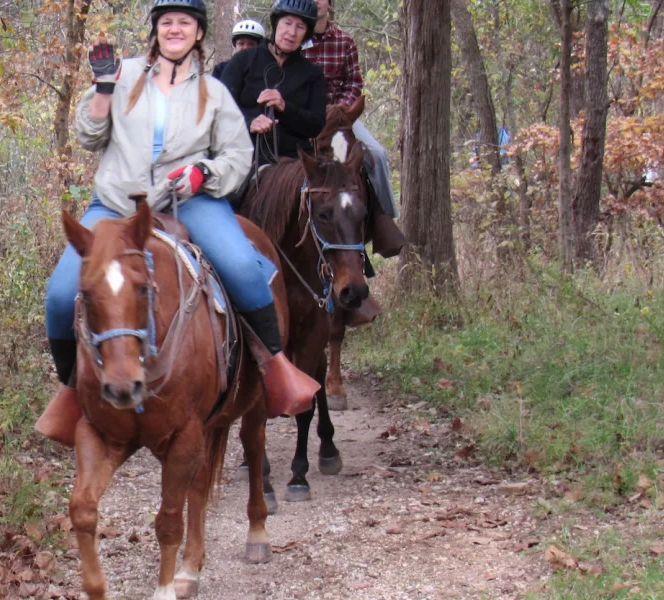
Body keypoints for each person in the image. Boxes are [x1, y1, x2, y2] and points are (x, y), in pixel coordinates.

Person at [34, 0, 319, 447]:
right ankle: (73, 393)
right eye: (166, 22)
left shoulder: (214, 92)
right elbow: (89, 136)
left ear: (199, 33)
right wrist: (104, 89)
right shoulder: (124, 75)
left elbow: (238, 155)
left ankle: (277, 370)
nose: (175, 29)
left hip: (190, 203)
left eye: (184, 22)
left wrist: (205, 172)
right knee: (58, 294)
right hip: (115, 206)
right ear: (155, 30)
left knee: (245, 269)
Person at [301, 0, 405, 258]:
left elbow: (354, 82)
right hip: (306, 118)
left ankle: (383, 220)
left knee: (376, 154)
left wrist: (341, 112)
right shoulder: (295, 38)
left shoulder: (344, 41)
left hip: (341, 117)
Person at [218, 0, 327, 168]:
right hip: (242, 156)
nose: (291, 32)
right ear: (276, 23)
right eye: (287, 23)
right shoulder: (243, 61)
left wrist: (285, 107)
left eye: (300, 27)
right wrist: (249, 122)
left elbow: (315, 125)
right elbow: (221, 111)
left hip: (292, 163)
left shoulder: (313, 74)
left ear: (306, 33)